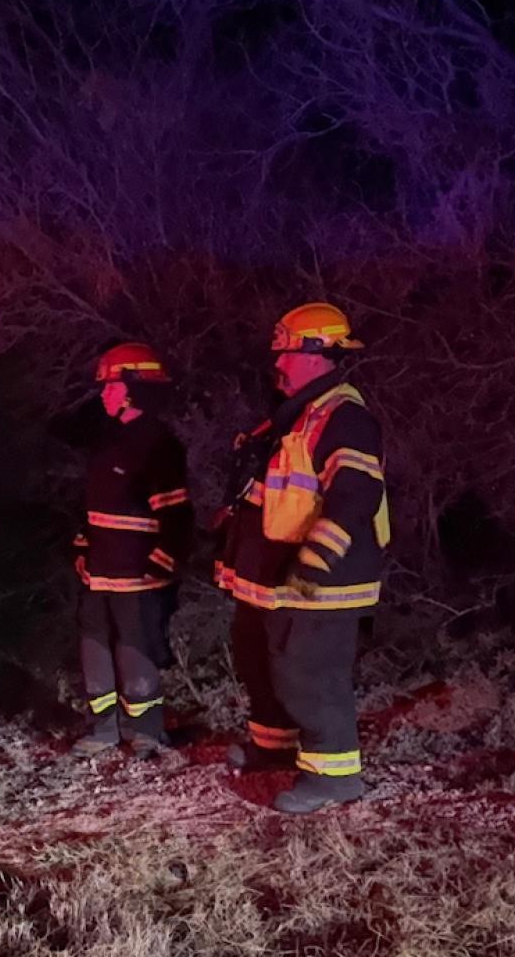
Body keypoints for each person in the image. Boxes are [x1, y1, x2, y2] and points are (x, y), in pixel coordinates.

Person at [215, 303, 389, 813]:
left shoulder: (345, 418)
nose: (278, 363)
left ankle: (334, 774)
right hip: (273, 576)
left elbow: (356, 494)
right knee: (258, 660)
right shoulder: (295, 415)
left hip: (320, 579)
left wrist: (317, 559)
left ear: (315, 355)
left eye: (285, 352)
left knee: (308, 671)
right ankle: (274, 746)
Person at [71, 343, 194, 761]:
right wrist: (83, 547)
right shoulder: (108, 443)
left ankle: (145, 732)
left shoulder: (159, 446)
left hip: (138, 574)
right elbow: (91, 505)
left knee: (135, 652)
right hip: (100, 572)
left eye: (112, 386)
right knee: (94, 648)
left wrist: (161, 563)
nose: (104, 394)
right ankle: (104, 729)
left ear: (135, 391)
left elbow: (177, 516)